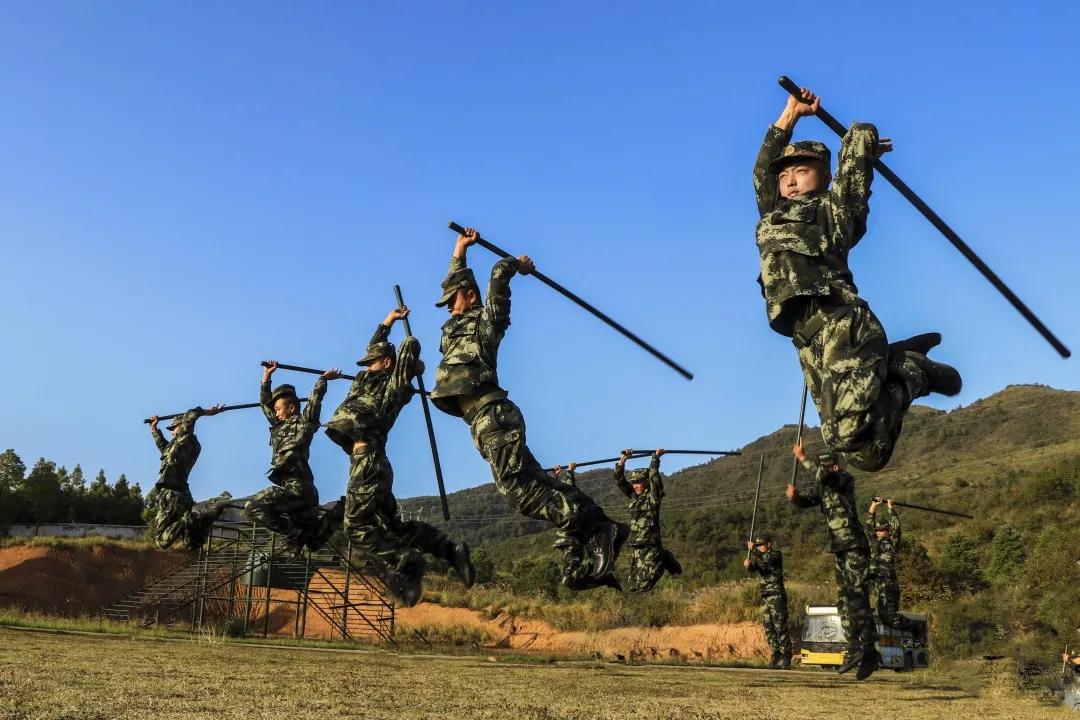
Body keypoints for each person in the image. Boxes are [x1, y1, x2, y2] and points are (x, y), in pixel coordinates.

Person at [753, 86, 961, 473]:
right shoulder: (772, 214)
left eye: (802, 170)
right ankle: (900, 369)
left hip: (841, 322)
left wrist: (861, 148)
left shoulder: (834, 210)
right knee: (864, 454)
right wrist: (790, 114)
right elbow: (761, 172)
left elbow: (861, 138)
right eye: (785, 175)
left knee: (849, 434)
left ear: (827, 174)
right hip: (807, 339)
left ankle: (914, 371)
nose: (791, 180)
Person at [429, 227, 627, 590]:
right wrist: (459, 250)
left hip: (494, 415)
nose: (449, 309)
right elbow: (455, 281)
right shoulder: (452, 332)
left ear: (469, 297)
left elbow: (495, 288)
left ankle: (595, 528)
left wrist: (511, 266)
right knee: (536, 483)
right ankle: (599, 525)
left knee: (518, 492)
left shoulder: (486, 324)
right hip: (481, 422)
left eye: (453, 301)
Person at [324, 307, 474, 606]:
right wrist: (388, 322)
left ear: (389, 362)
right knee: (392, 528)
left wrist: (412, 352)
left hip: (368, 459)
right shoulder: (364, 382)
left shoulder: (394, 385)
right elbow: (376, 350)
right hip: (369, 462)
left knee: (354, 526)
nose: (366, 367)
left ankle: (408, 563)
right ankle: (448, 550)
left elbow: (408, 349)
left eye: (372, 362)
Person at [787, 439, 878, 680]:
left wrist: (803, 458)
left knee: (858, 597)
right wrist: (795, 497)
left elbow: (824, 478)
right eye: (824, 467)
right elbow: (808, 500)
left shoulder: (844, 480)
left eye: (828, 466)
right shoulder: (825, 486)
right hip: (839, 547)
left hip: (854, 544)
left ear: (836, 467)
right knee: (844, 600)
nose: (827, 470)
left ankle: (868, 648)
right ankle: (853, 647)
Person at [245, 361, 343, 555]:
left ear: (291, 408)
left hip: (299, 488)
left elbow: (314, 403)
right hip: (297, 490)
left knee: (253, 506)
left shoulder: (304, 423)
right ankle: (339, 513)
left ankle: (294, 534)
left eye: (279, 409)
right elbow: (265, 404)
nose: (276, 414)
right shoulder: (278, 425)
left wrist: (322, 380)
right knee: (312, 540)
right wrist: (266, 377)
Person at [148, 405, 230, 550]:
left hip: (172, 494)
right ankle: (207, 513)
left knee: (162, 541)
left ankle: (195, 514)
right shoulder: (182, 446)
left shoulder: (185, 439)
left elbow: (191, 414)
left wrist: (207, 413)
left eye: (174, 428)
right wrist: (154, 429)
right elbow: (164, 448)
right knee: (191, 543)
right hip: (182, 495)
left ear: (183, 425)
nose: (172, 433)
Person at [614, 448, 682, 593]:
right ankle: (663, 557)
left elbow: (655, 478)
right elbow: (619, 481)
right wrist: (623, 459)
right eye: (633, 482)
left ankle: (663, 558)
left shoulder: (653, 496)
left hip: (651, 544)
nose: (635, 485)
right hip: (637, 545)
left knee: (649, 579)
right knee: (633, 584)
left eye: (638, 482)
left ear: (645, 482)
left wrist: (655, 458)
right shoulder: (633, 496)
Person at [868, 497, 918, 634]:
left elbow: (897, 528)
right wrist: (874, 506)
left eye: (882, 529)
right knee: (884, 618)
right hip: (877, 582)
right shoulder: (873, 540)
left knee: (890, 618)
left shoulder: (892, 542)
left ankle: (915, 627)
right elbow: (868, 524)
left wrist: (891, 508)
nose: (878, 531)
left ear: (888, 530)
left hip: (888, 582)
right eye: (877, 529)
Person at [743, 534, 791, 669]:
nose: (759, 547)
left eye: (761, 545)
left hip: (776, 595)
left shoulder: (775, 554)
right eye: (757, 545)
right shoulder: (761, 557)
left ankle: (786, 655)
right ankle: (775, 653)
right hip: (765, 595)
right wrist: (749, 565)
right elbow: (757, 567)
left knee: (780, 625)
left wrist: (753, 550)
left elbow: (767, 561)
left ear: (769, 544)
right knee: (768, 627)